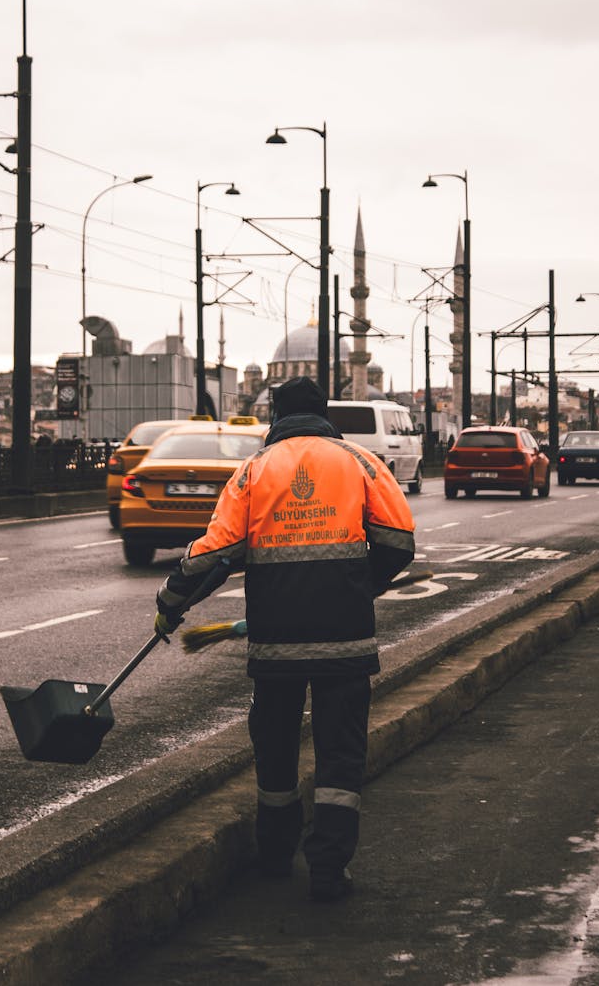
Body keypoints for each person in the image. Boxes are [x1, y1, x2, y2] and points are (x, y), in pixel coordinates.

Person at [155, 376, 415, 902]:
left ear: (275, 415)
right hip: (345, 641)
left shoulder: (254, 470)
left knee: (275, 748)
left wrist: (171, 601)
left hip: (274, 644)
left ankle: (275, 854)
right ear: (325, 413)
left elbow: (214, 553)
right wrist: (360, 587)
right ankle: (327, 868)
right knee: (340, 755)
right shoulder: (361, 463)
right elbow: (398, 540)